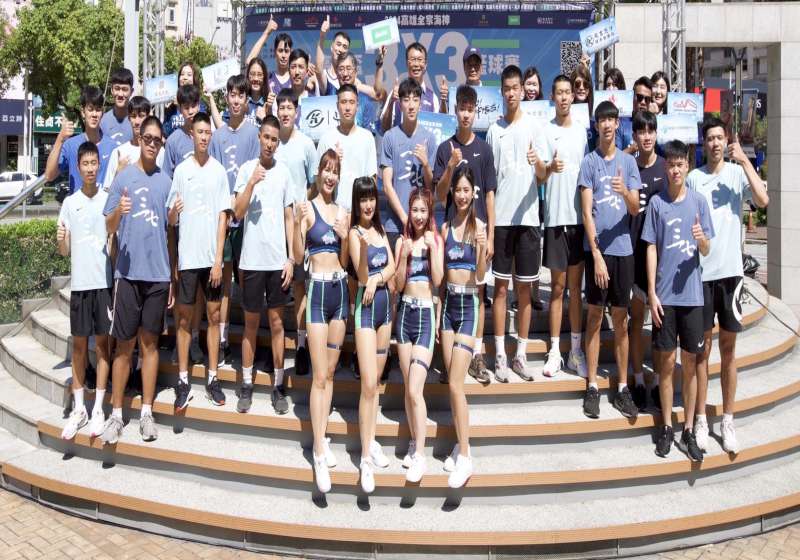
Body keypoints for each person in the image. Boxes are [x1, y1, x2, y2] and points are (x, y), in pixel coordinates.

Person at [688, 117, 769, 454]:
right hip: (701, 276)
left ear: (726, 141)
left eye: (720, 138)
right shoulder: (694, 178)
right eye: (710, 138)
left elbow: (763, 200)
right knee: (702, 351)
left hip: (731, 275)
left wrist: (746, 160)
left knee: (729, 350)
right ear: (703, 143)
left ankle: (728, 420)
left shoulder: (736, 174)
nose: (715, 143)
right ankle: (701, 420)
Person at [101, 115, 172, 444]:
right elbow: (108, 225)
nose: (152, 144)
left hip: (158, 275)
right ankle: (116, 414)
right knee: (124, 346)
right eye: (148, 138)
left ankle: (146, 412)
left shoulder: (166, 182)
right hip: (127, 275)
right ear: (139, 138)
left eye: (157, 139)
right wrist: (120, 210)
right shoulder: (124, 176)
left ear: (161, 143)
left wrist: (172, 275)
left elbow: (171, 233)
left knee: (150, 345)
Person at [642, 140, 714, 462]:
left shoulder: (699, 202)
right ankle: (667, 427)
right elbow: (651, 247)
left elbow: (706, 249)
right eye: (670, 165)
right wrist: (652, 292)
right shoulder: (657, 204)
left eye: (680, 164)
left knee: (692, 363)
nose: (675, 170)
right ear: (666, 167)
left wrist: (702, 240)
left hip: (693, 297)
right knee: (667, 363)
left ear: (687, 166)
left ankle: (688, 429)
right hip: (665, 298)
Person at [578, 100, 641, 420]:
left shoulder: (628, 164)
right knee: (593, 317)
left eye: (611, 119)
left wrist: (624, 191)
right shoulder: (589, 162)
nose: (606, 124)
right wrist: (597, 255)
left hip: (624, 252)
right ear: (596, 125)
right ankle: (592, 386)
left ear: (618, 124)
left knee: (621, 320)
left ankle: (622, 387)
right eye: (601, 119)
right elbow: (586, 212)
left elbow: (635, 208)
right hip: (598, 254)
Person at [166, 111, 231, 409]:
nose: (204, 137)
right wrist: (173, 212)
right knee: (183, 319)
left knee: (214, 317)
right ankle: (183, 380)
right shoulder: (181, 171)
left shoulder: (218, 171)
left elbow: (223, 218)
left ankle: (213, 378)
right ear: (191, 134)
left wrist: (218, 260)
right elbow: (171, 218)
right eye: (200, 132)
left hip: (211, 260)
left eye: (208, 133)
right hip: (189, 259)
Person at [232, 115, 295, 416]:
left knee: (278, 324)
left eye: (274, 139)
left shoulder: (284, 172)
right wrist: (251, 183)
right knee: (251, 325)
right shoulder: (246, 169)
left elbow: (289, 217)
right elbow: (237, 212)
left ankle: (278, 386)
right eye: (266, 137)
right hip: (252, 261)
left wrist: (291, 258)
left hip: (277, 262)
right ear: (259, 137)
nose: (269, 143)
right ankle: (246, 383)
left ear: (278, 142)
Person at [433, 84, 496, 383]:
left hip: (477, 233)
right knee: (447, 286)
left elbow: (490, 195)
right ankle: (448, 354)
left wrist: (490, 236)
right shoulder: (445, 148)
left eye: (471, 109)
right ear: (455, 110)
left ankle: (476, 352)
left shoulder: (484, 149)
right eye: (462, 108)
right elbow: (439, 194)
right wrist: (450, 167)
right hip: (452, 231)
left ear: (475, 111)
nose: (466, 114)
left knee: (478, 291)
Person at [296, 150, 350, 493]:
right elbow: (297, 254)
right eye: (326, 170)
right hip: (316, 291)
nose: (330, 177)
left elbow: (346, 259)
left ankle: (323, 435)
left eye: (335, 172)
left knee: (330, 373)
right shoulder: (308, 208)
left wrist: (344, 235)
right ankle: (317, 450)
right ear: (318, 173)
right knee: (318, 376)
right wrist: (296, 223)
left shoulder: (342, 212)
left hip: (340, 292)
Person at [486, 65, 543, 383]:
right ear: (502, 92)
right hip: (502, 221)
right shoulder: (494, 130)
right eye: (506, 88)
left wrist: (540, 165)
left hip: (529, 220)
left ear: (522, 90)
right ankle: (499, 355)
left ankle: (520, 354)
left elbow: (544, 175)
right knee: (500, 289)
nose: (510, 93)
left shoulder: (534, 126)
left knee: (524, 289)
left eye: (515, 88)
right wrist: (490, 226)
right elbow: (491, 184)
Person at [57, 142, 113, 440]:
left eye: (94, 163)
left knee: (102, 346)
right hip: (79, 285)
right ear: (78, 168)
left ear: (98, 165)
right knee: (79, 347)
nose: (90, 169)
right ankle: (79, 409)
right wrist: (61, 239)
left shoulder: (107, 200)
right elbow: (64, 251)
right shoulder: (70, 203)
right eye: (85, 164)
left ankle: (99, 408)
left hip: (103, 284)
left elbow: (113, 240)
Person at [534, 74, 588, 379]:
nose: (565, 97)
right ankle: (555, 351)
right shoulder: (545, 131)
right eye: (560, 93)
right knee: (556, 288)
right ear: (552, 97)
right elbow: (540, 175)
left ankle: (575, 351)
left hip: (578, 221)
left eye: (568, 92)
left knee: (575, 290)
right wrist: (550, 168)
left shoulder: (581, 132)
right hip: (555, 219)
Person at [440, 167, 487, 489]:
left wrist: (482, 248)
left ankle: (466, 456)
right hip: (448, 308)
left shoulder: (479, 227)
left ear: (473, 193)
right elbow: (441, 275)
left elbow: (481, 276)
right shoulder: (445, 228)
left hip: (469, 306)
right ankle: (459, 444)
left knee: (457, 384)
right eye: (457, 190)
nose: (461, 195)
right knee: (451, 382)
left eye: (466, 190)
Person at [209, 74, 261, 367]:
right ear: (226, 98)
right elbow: (215, 175)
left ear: (246, 99)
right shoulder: (218, 136)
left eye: (241, 95)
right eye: (232, 95)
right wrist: (224, 209)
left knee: (246, 277)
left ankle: (251, 339)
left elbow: (254, 173)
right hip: (224, 218)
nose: (237, 100)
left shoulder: (254, 133)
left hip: (247, 216)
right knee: (225, 279)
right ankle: (223, 337)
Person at [348, 176, 396, 493]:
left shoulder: (380, 229)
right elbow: (362, 276)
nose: (368, 204)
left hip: (384, 313)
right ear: (356, 203)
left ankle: (372, 439)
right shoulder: (356, 234)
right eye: (363, 199)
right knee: (367, 384)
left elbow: (391, 267)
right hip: (365, 312)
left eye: (371, 198)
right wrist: (374, 274)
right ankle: (365, 458)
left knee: (376, 382)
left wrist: (379, 279)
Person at [393, 188, 443, 484]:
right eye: (415, 210)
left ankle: (421, 455)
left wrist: (433, 250)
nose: (419, 216)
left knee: (414, 389)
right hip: (404, 316)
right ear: (409, 213)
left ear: (429, 212)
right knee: (407, 388)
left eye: (424, 210)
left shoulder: (435, 239)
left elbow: (437, 279)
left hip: (425, 315)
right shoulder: (402, 241)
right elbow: (398, 285)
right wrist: (403, 257)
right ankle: (414, 441)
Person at [274, 88, 317, 378]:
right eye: (282, 108)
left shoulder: (306, 144)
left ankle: (301, 346)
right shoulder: (272, 141)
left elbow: (314, 182)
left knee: (300, 286)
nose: (286, 112)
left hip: (298, 226)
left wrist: (303, 205)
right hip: (273, 224)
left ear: (297, 112)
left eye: (290, 107)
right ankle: (275, 346)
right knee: (276, 286)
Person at [629, 110, 668, 410]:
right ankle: (639, 379)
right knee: (636, 319)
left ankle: (656, 382)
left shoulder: (667, 168)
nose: (646, 136)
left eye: (650, 131)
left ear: (656, 134)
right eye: (641, 131)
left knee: (658, 323)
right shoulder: (628, 165)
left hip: (661, 259)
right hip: (633, 255)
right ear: (634, 135)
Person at [381, 78, 437, 247]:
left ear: (421, 104)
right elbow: (387, 186)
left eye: (415, 100)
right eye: (406, 100)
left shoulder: (429, 138)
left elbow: (431, 188)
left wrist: (425, 164)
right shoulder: (390, 137)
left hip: (422, 223)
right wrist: (405, 219)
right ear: (400, 104)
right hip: (395, 224)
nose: (411, 105)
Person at [316, 84, 378, 212]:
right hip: (333, 212)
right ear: (337, 105)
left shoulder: (367, 138)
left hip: (359, 214)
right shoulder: (326, 138)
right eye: (343, 102)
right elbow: (317, 181)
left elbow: (372, 180)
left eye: (351, 102)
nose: (348, 107)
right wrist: (332, 163)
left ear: (357, 106)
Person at [45, 85, 115, 194]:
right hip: (77, 204)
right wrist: (60, 139)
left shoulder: (113, 147)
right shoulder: (70, 145)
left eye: (98, 110)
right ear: (83, 112)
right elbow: (49, 175)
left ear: (103, 112)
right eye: (90, 109)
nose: (94, 114)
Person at [103, 96, 165, 191]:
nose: (137, 122)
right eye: (133, 116)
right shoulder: (119, 152)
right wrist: (118, 174)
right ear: (128, 118)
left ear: (148, 117)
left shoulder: (159, 151)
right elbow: (107, 192)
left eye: (141, 116)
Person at [381, 42, 441, 132]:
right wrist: (391, 102)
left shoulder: (433, 98)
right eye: (413, 59)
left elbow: (440, 129)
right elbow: (384, 128)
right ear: (407, 63)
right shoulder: (396, 94)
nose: (416, 64)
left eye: (420, 60)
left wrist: (443, 100)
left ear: (425, 64)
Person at [162, 84, 201, 179]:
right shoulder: (172, 141)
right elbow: (167, 177)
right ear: (179, 109)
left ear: (199, 106)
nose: (190, 111)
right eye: (186, 108)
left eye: (193, 106)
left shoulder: (208, 136)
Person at [163, 63, 212, 138]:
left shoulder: (200, 103)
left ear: (194, 79)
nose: (185, 78)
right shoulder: (171, 106)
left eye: (189, 75)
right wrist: (167, 110)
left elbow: (202, 125)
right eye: (182, 74)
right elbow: (166, 133)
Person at [269, 49, 318, 121]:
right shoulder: (280, 99)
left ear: (307, 71)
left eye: (301, 67)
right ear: (289, 70)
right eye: (293, 67)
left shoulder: (314, 100)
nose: (297, 72)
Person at [439, 46, 484, 112]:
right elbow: (445, 117)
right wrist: (443, 100)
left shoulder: (492, 95)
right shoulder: (455, 94)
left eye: (476, 65)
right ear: (464, 67)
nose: (472, 69)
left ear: (481, 67)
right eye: (469, 65)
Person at [315, 16, 351, 94]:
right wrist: (322, 35)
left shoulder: (351, 79)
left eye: (344, 47)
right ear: (332, 47)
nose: (340, 49)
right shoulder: (324, 75)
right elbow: (318, 70)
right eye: (338, 44)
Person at [100, 68, 134, 147]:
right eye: (117, 89)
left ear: (131, 92)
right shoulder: (102, 122)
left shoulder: (138, 121)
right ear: (112, 90)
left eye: (125, 89)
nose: (120, 94)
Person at [245, 57, 271, 125]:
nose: (256, 79)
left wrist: (264, 120)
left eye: (259, 75)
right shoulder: (242, 102)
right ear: (248, 76)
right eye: (252, 74)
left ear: (264, 77)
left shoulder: (269, 103)